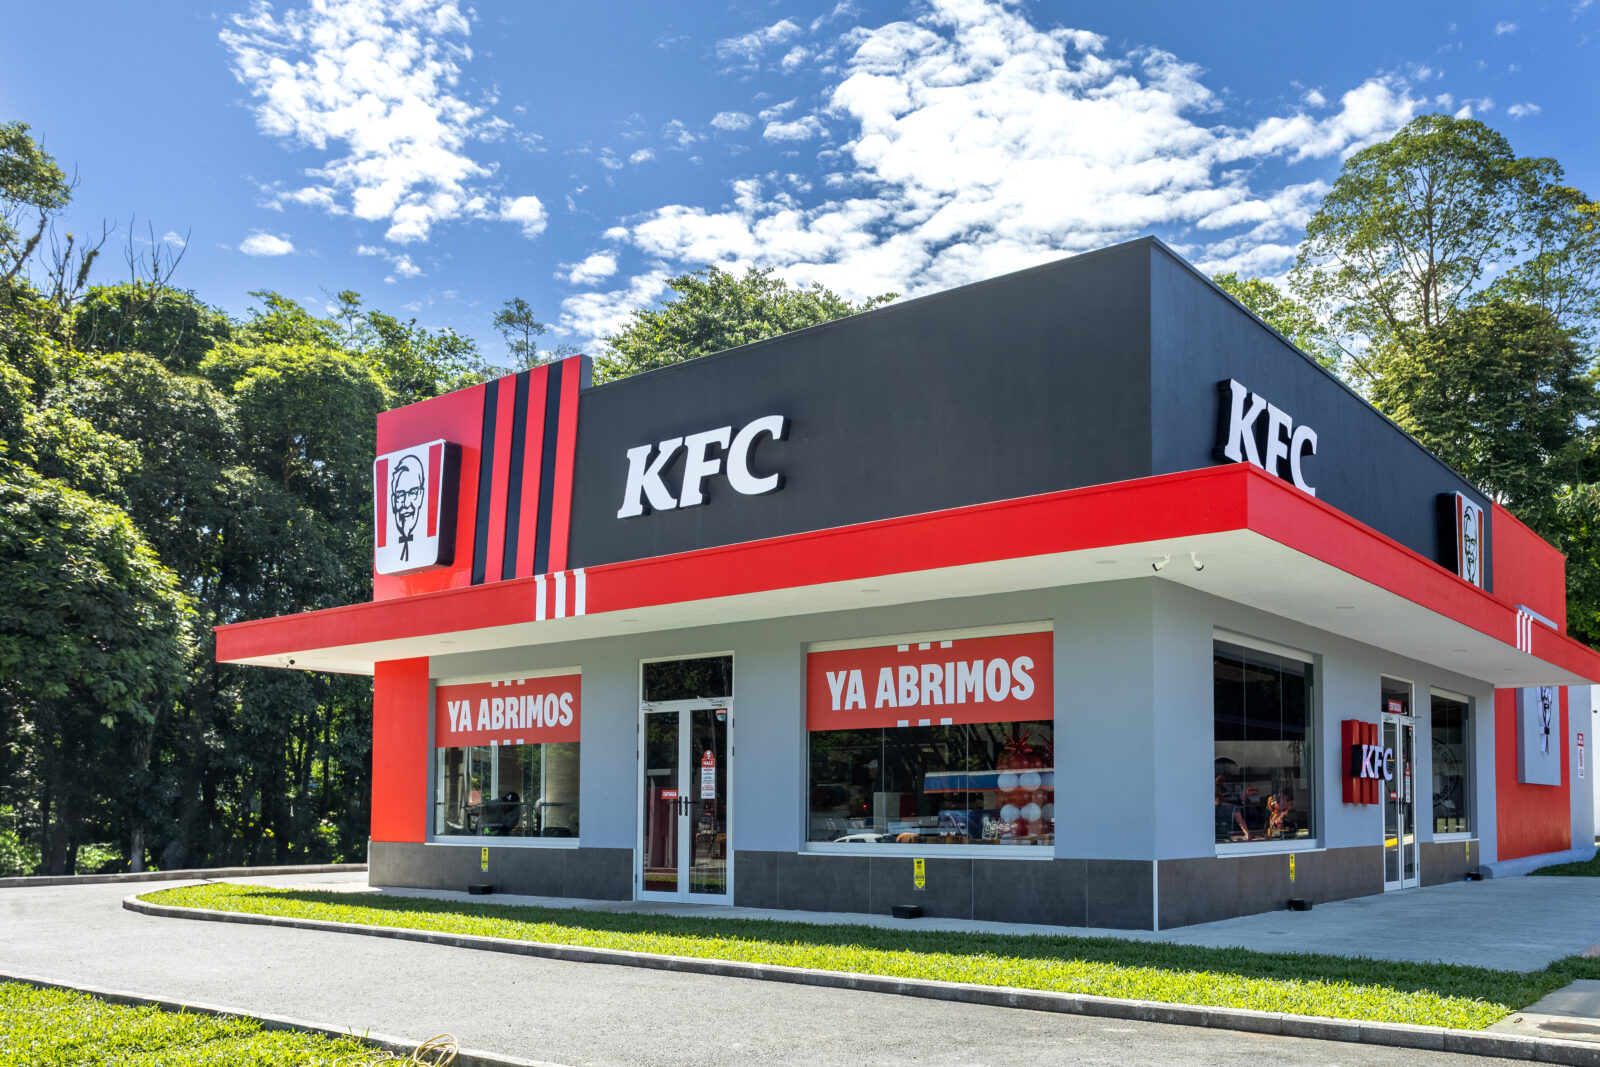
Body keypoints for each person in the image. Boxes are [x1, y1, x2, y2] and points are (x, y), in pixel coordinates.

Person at [390, 454, 425, 561]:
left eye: (412, 492)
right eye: (400, 494)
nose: (406, 503)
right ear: (393, 501)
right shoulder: (390, 557)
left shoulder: (426, 550)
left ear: (421, 496)